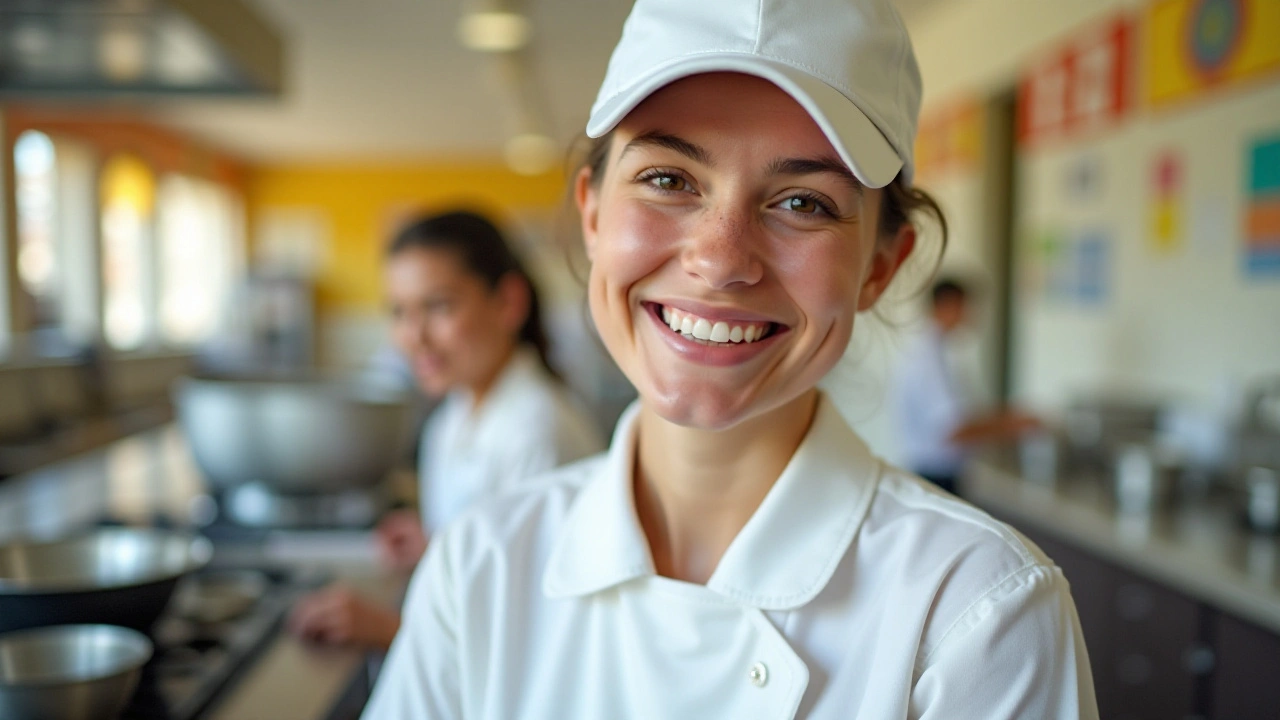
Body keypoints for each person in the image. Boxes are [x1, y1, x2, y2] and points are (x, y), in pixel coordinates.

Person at [363, 0, 1098, 716]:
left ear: (880, 266)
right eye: (668, 181)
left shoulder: (977, 612)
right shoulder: (479, 566)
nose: (719, 260)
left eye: (803, 202)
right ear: (592, 214)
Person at [289, 210, 604, 650]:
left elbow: (539, 635)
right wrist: (436, 544)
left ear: (508, 303)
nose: (413, 337)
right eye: (399, 312)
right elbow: (495, 563)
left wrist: (389, 630)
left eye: (438, 306)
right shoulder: (455, 412)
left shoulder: (538, 434)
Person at [891, 278, 1040, 494]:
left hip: (939, 472)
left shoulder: (938, 351)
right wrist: (1011, 424)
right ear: (948, 305)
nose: (970, 314)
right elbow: (953, 429)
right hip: (934, 476)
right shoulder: (927, 360)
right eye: (966, 306)